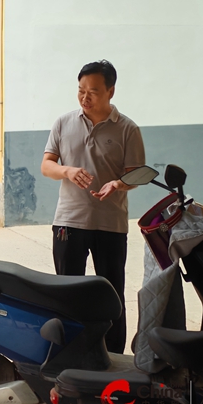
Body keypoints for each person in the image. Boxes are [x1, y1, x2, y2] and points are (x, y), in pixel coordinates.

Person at [40, 59, 145, 354]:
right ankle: (69, 354)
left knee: (111, 295)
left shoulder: (127, 129)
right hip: (68, 222)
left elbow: (135, 174)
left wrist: (118, 184)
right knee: (66, 293)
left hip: (110, 224)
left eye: (93, 92)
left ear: (111, 91)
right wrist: (68, 171)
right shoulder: (63, 123)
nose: (85, 97)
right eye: (81, 90)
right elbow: (47, 165)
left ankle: (112, 356)